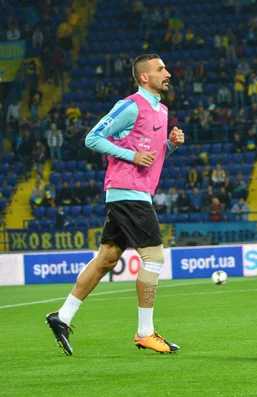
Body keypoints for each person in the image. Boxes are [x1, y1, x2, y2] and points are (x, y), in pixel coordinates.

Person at [45, 54, 185, 356]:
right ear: (144, 77)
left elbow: (151, 159)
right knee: (154, 258)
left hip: (137, 191)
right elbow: (92, 138)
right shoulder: (130, 105)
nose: (168, 73)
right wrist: (130, 156)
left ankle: (62, 317)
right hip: (127, 192)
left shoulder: (161, 110)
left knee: (107, 259)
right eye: (161, 69)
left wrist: (170, 146)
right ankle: (145, 332)